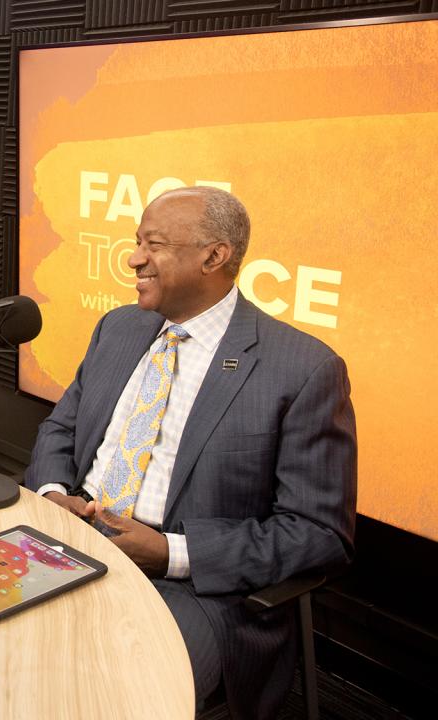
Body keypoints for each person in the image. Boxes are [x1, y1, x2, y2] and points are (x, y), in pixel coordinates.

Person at [24, 187, 356, 719]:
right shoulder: (118, 327)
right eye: (136, 242)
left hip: (196, 591)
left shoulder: (303, 369)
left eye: (152, 244)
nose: (133, 258)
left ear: (214, 256)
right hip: (72, 540)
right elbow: (61, 428)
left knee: (101, 697)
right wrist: (53, 493)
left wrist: (172, 553)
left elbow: (318, 536)